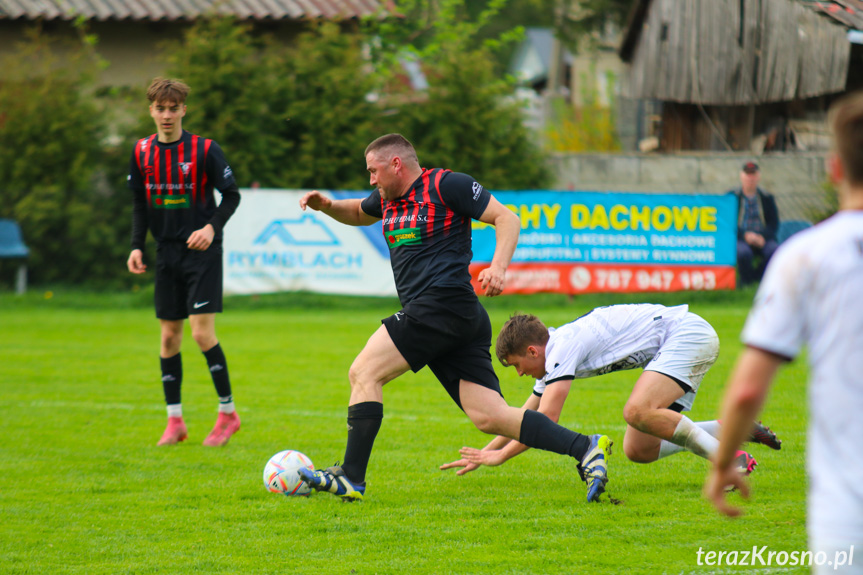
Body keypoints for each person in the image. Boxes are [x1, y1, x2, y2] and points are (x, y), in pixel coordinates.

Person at [297, 134, 612, 502]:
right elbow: (355, 212)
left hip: (442, 303)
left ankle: (351, 477)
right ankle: (585, 447)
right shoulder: (388, 199)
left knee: (364, 373)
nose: (371, 181)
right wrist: (327, 205)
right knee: (489, 416)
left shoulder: (447, 185)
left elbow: (506, 218)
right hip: (456, 317)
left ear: (396, 164)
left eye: (373, 171)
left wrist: (498, 267)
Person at [705, 92, 863, 573]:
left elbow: (749, 387)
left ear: (834, 168)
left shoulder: (805, 256)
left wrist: (720, 464)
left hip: (848, 507)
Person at [442, 305, 781, 480]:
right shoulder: (555, 352)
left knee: (636, 411)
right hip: (680, 342)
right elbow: (521, 416)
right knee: (639, 448)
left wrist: (500, 457)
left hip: (685, 335)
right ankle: (732, 430)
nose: (519, 374)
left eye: (517, 365)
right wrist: (483, 453)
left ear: (533, 351)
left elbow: (546, 420)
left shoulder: (561, 348)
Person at [126, 78, 242, 447]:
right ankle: (174, 421)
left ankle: (228, 413)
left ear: (183, 111)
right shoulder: (142, 152)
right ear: (151, 111)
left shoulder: (205, 150)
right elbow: (140, 205)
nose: (166, 115)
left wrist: (211, 227)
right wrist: (135, 246)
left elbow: (231, 196)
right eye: (160, 108)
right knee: (168, 337)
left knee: (201, 333)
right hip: (166, 254)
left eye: (173, 108)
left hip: (202, 254)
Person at [730, 161, 780, 286]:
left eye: (753, 174)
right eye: (747, 174)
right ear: (741, 176)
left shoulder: (766, 197)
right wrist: (744, 236)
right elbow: (729, 223)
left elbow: (773, 223)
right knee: (743, 253)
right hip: (741, 237)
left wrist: (762, 237)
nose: (750, 178)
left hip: (762, 237)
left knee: (773, 251)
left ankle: (759, 280)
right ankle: (746, 283)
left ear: (758, 177)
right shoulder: (732, 197)